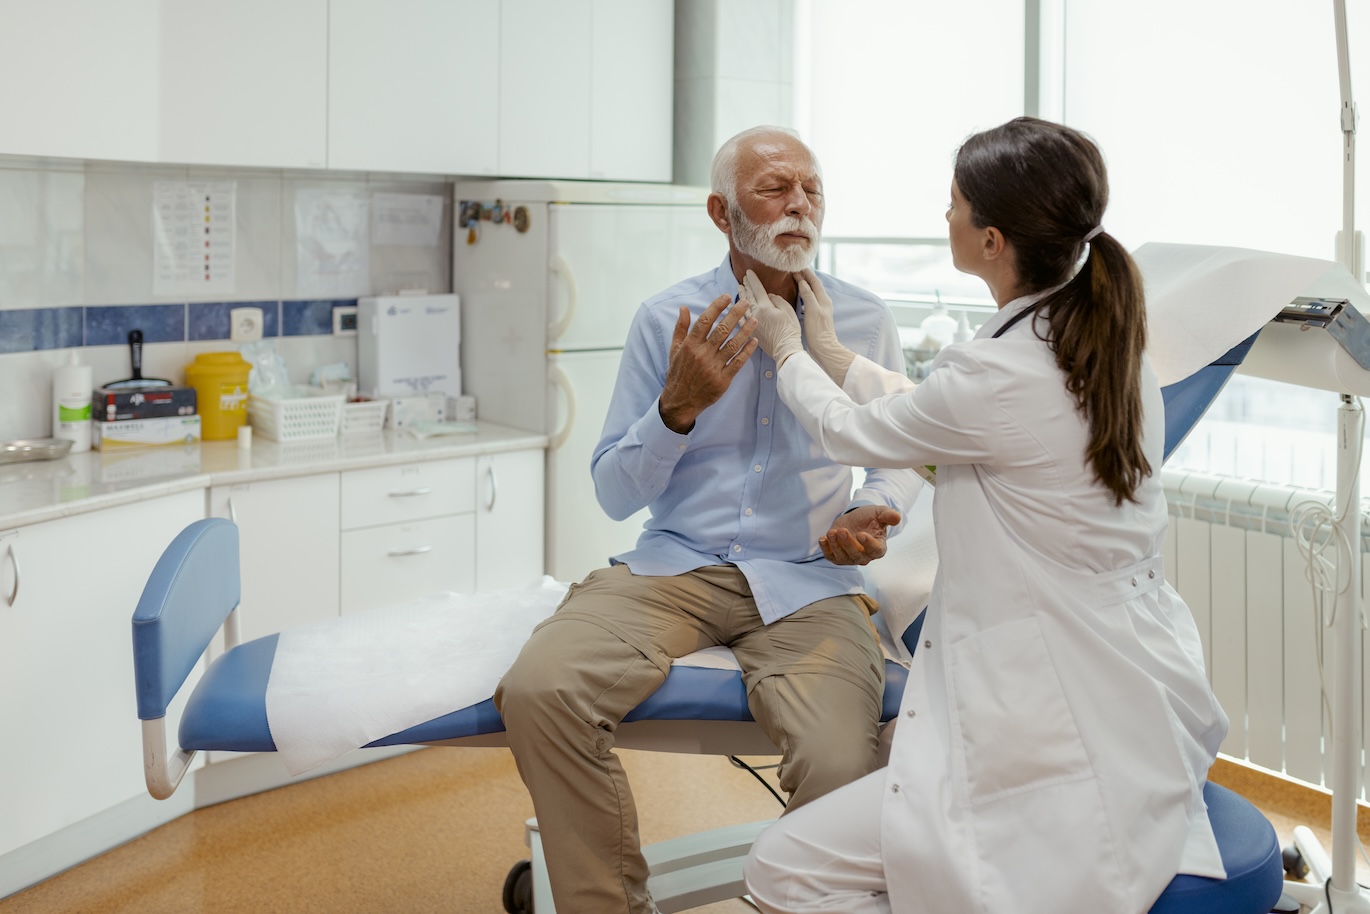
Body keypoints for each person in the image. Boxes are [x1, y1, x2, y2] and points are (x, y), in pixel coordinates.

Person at [740, 117, 1229, 914]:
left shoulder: (1000, 369)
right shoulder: (1099, 344)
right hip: (1127, 680)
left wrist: (787, 349)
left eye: (956, 205)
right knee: (906, 798)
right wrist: (832, 352)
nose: (946, 217)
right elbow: (943, 420)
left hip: (1044, 710)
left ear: (993, 239)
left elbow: (855, 432)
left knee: (781, 870)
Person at [494, 125, 924, 914]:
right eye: (775, 188)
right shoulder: (670, 320)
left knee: (837, 762)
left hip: (810, 576)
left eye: (813, 189)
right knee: (539, 689)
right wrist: (675, 409)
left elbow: (893, 456)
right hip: (675, 568)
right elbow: (612, 493)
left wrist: (874, 506)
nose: (800, 203)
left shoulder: (861, 320)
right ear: (722, 212)